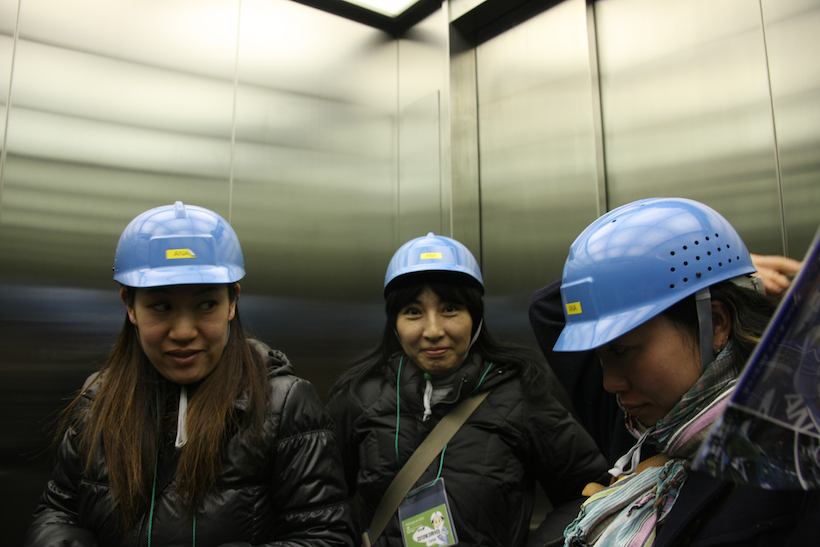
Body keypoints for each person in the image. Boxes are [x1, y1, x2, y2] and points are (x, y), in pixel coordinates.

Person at [24, 202, 355, 547]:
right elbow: (58, 511)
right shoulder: (98, 401)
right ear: (130, 306)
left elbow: (326, 535)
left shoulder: (284, 405)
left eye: (206, 305)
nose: (183, 332)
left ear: (232, 302)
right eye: (161, 306)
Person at [528, 197, 819, 547]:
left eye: (621, 351)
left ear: (717, 323)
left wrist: (711, 268)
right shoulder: (643, 427)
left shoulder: (794, 463)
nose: (610, 383)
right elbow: (548, 310)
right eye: (600, 356)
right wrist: (706, 268)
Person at [326, 233, 607, 547]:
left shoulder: (520, 397)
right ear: (395, 322)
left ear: (475, 317)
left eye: (450, 309)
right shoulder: (360, 398)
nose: (433, 331)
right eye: (413, 312)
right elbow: (320, 503)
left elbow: (589, 492)